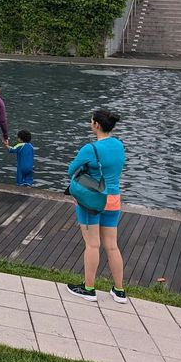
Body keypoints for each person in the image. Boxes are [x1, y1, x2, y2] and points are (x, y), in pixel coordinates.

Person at [65, 108, 127, 304]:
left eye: (91, 121)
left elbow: (71, 170)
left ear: (96, 125)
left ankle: (89, 288)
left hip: (93, 201)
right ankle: (119, 291)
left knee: (92, 244)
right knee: (112, 245)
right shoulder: (119, 145)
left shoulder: (90, 149)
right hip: (114, 199)